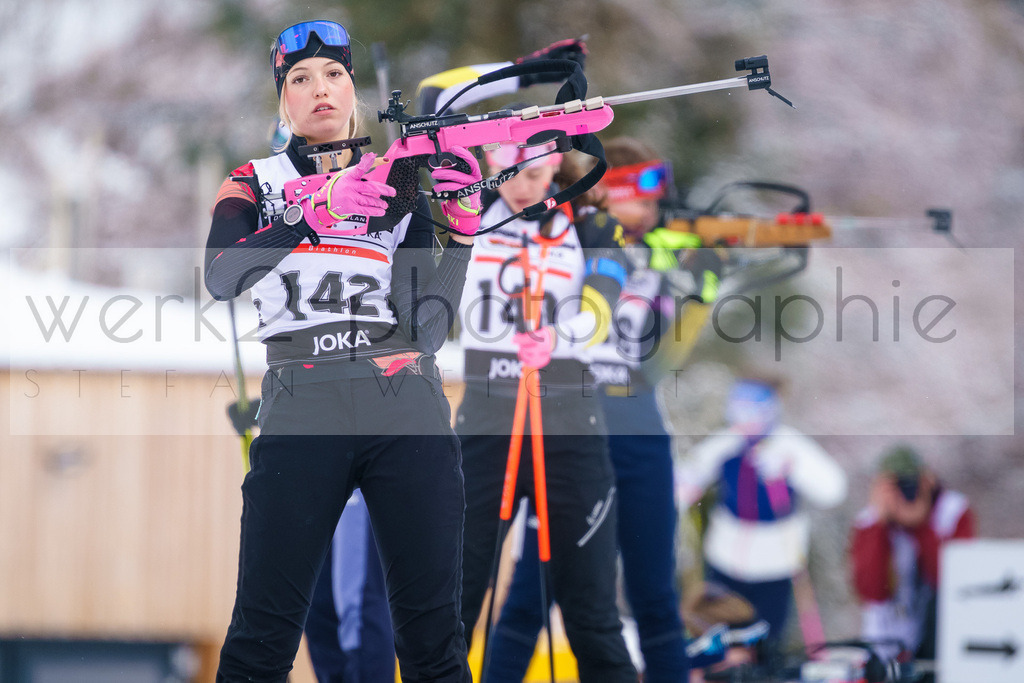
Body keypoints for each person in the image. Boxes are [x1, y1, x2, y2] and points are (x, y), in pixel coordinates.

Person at [204, 20, 485, 682]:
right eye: (300, 79)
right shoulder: (254, 181)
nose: (319, 89)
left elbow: (426, 329)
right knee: (261, 636)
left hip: (403, 402)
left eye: (333, 74)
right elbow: (221, 276)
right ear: (283, 99)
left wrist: (462, 238)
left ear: (353, 88)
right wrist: (311, 215)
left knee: (433, 642)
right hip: (303, 403)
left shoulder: (395, 183)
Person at [483, 137, 721, 682]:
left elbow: (658, 365)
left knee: (655, 598)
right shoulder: (566, 237)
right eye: (643, 197)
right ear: (609, 191)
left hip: (639, 431)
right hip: (572, 431)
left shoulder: (660, 253)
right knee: (532, 594)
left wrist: (700, 296)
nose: (653, 210)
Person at [451, 136, 637, 681]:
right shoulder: (466, 213)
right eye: (511, 174)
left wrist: (562, 335)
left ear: (555, 167)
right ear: (491, 163)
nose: (523, 188)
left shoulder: (590, 222)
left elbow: (603, 301)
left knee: (590, 609)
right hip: (488, 416)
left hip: (568, 417)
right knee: (454, 598)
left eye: (536, 175)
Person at [674, 377, 848, 662]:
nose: (744, 420)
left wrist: (792, 467)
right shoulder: (727, 442)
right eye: (737, 410)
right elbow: (690, 473)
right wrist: (686, 484)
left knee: (766, 646)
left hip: (774, 565)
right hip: (724, 562)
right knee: (716, 642)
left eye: (752, 411)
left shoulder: (789, 444)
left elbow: (833, 489)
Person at [849, 445, 975, 675]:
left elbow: (955, 583)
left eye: (910, 483)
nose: (905, 491)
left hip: (942, 638)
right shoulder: (870, 522)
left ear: (927, 481)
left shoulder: (952, 511)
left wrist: (921, 525)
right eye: (894, 485)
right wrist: (880, 524)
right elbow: (872, 592)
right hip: (889, 642)